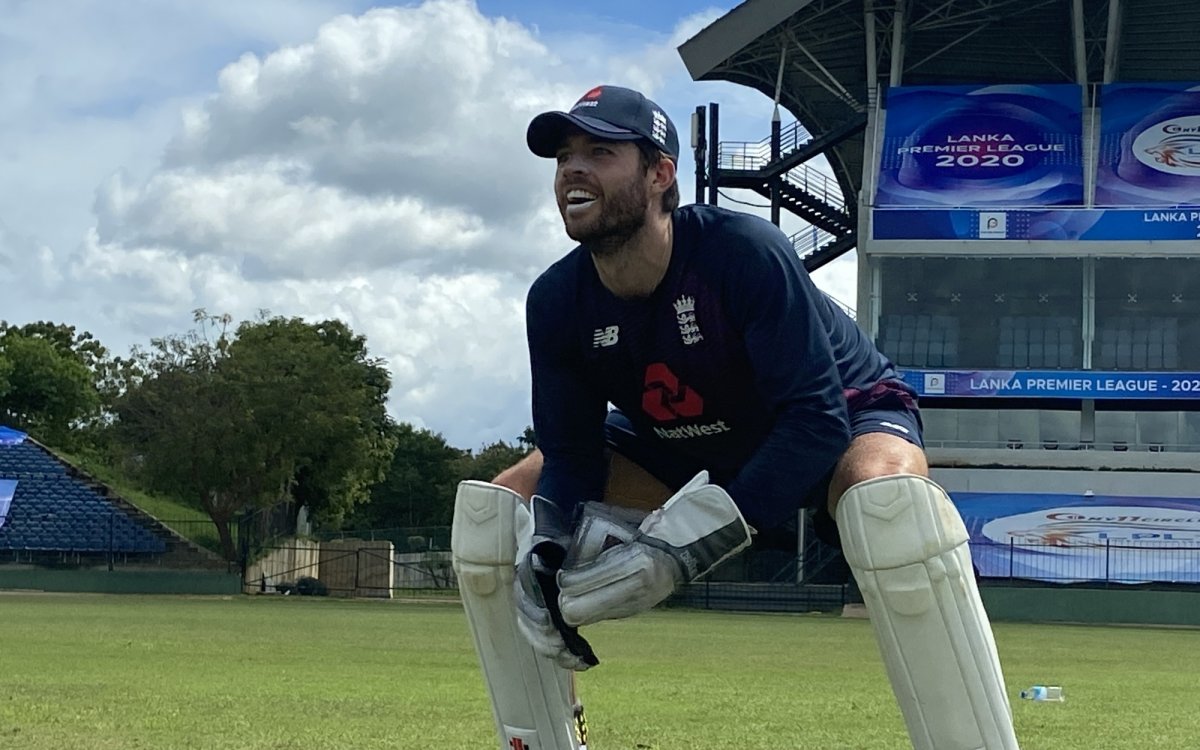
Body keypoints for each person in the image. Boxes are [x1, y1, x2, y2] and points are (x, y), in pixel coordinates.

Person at [451, 84, 1020, 750]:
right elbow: (573, 455)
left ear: (661, 174)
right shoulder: (556, 300)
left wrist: (678, 549)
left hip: (837, 416)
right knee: (500, 517)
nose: (572, 169)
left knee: (890, 510)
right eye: (563, 157)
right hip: (682, 442)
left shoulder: (742, 251)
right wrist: (546, 549)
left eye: (599, 152)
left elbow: (815, 421)